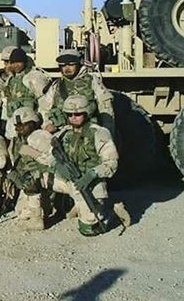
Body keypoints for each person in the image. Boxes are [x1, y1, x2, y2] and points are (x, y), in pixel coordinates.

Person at [24, 95, 120, 236]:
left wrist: (92, 174)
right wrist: (56, 165)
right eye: (69, 114)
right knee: (32, 179)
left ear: (86, 113)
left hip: (89, 184)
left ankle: (111, 211)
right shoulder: (64, 133)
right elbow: (51, 155)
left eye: (78, 114)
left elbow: (111, 162)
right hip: (67, 181)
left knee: (88, 230)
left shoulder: (99, 133)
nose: (73, 117)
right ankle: (37, 217)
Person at [40, 49, 114, 135]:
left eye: (71, 64)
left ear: (79, 63)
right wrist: (47, 124)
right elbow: (44, 109)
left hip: (89, 130)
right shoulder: (56, 85)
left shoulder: (91, 81)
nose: (67, 68)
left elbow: (106, 107)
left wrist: (107, 131)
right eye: (63, 65)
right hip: (62, 131)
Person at [7, 107, 49, 231]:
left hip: (46, 176)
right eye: (17, 126)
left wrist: (30, 152)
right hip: (30, 180)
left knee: (31, 179)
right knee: (21, 213)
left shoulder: (40, 136)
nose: (19, 128)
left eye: (23, 125)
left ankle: (37, 220)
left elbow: (51, 161)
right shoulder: (17, 140)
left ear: (32, 123)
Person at [2, 47, 50, 139]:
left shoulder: (34, 77)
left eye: (19, 62)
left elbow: (45, 102)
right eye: (13, 63)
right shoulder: (11, 79)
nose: (16, 65)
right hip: (14, 123)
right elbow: (7, 101)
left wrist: (46, 123)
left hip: (30, 124)